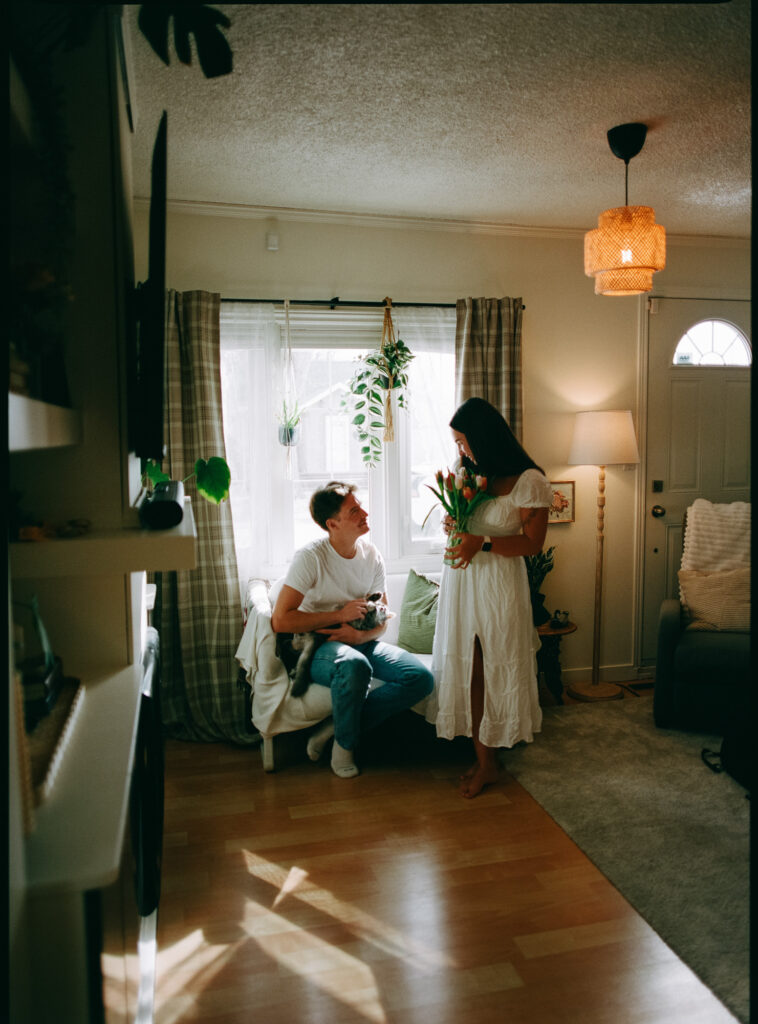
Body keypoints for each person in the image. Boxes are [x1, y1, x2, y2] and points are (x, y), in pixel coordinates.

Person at [425, 397, 553, 798]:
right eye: (457, 443)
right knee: (472, 670)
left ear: (483, 436)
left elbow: (532, 543)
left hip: (499, 586)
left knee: (494, 667)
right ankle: (485, 762)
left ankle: (489, 762)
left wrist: (479, 543)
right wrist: (455, 523)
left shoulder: (529, 480)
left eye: (463, 442)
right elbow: (467, 527)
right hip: (464, 584)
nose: (460, 451)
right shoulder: (470, 473)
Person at [271, 481, 434, 778]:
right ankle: (344, 747)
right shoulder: (311, 557)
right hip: (315, 647)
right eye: (354, 510)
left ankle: (336, 728)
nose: (365, 514)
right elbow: (281, 620)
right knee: (354, 665)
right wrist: (339, 615)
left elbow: (383, 617)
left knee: (420, 678)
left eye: (361, 507)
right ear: (332, 523)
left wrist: (361, 636)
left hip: (361, 640)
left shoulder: (371, 555)